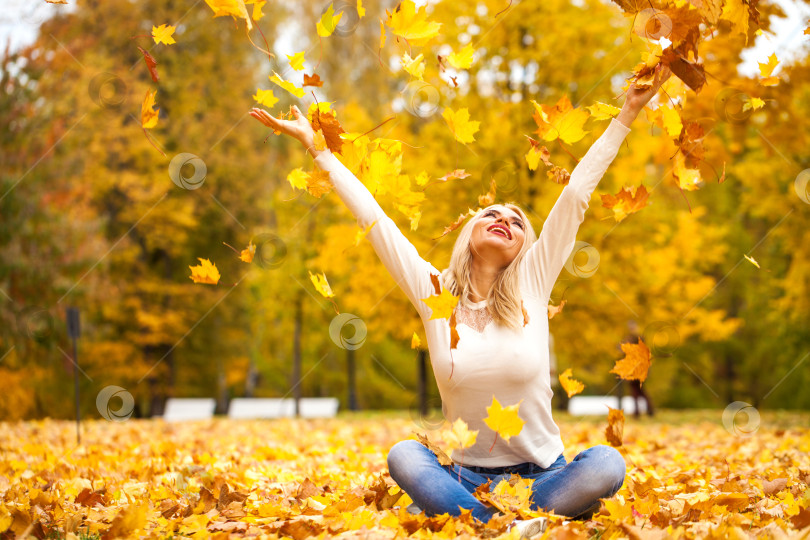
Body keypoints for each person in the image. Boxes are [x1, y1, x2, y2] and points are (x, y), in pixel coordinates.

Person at [250, 64, 672, 538]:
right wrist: (318, 149)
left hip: (545, 476)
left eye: (515, 221)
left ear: (524, 246)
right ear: (470, 234)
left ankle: (487, 525)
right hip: (465, 479)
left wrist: (628, 113)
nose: (502, 219)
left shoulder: (534, 280)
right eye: (491, 213)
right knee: (405, 456)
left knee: (606, 464)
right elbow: (374, 218)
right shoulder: (434, 292)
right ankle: (502, 526)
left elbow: (575, 195)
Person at [617, 319, 655, 418]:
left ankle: (640, 412)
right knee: (639, 391)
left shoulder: (634, 338)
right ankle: (648, 410)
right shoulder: (636, 338)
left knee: (636, 391)